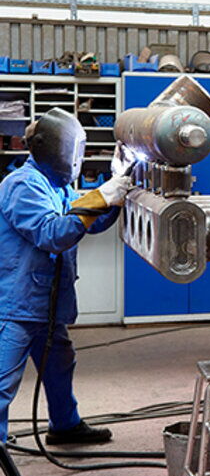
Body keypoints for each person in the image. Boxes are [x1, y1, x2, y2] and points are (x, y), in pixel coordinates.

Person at [0, 109, 132, 445]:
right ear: (57, 151)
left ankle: (65, 426)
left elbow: (89, 219)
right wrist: (104, 196)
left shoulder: (56, 185)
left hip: (44, 303)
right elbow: (52, 233)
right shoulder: (22, 186)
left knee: (59, 365)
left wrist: (114, 189)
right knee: (1, 383)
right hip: (16, 306)